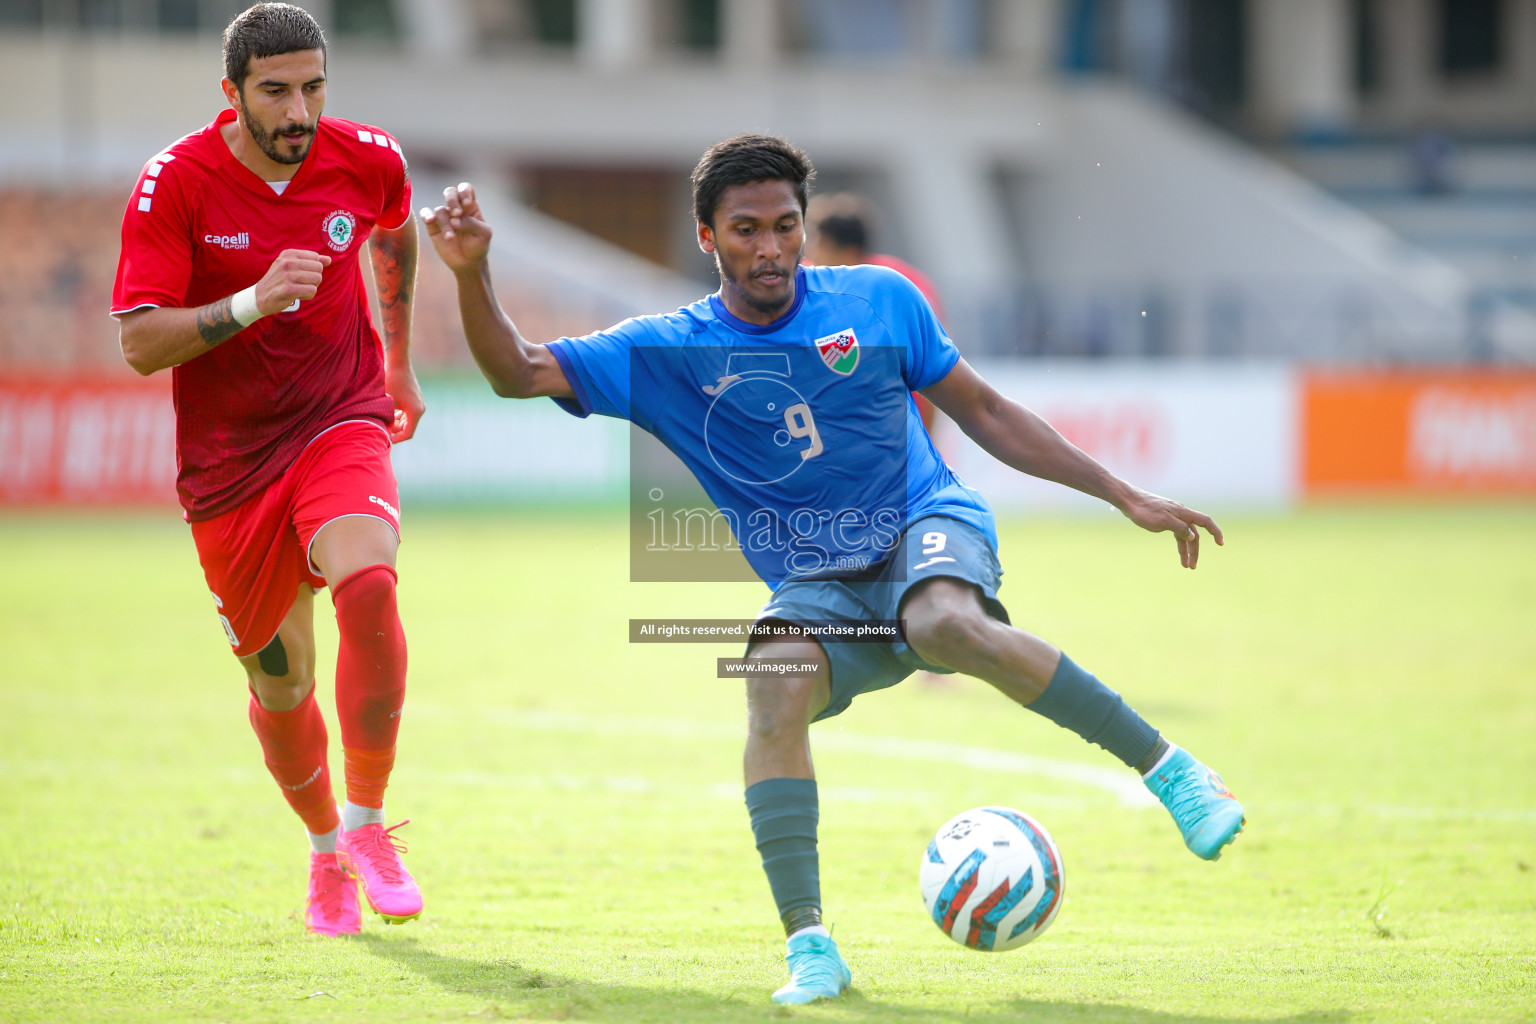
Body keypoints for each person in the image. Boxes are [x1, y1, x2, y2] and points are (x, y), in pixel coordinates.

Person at [420, 135, 1244, 1004]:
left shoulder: (880, 301)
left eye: (785, 226)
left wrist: (1123, 494)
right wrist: (472, 274)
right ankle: (812, 947)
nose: (770, 248)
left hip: (925, 521)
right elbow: (517, 372)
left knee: (944, 624)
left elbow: (988, 411)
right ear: (708, 237)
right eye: (746, 230)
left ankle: (1172, 771)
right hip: (816, 588)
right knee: (771, 677)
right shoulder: (668, 351)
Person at [111, 3, 425, 938]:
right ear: (233, 94)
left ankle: (369, 828)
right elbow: (138, 344)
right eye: (277, 92)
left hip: (340, 418)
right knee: (281, 688)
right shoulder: (176, 183)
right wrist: (247, 302)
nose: (299, 111)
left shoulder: (367, 157)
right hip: (230, 468)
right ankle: (326, 850)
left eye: (314, 88)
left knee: (369, 582)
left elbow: (394, 231)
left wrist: (399, 362)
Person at [805, 192, 943, 432]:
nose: (811, 256)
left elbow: (931, 366)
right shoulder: (810, 280)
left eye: (819, 245)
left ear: (847, 252)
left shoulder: (896, 288)